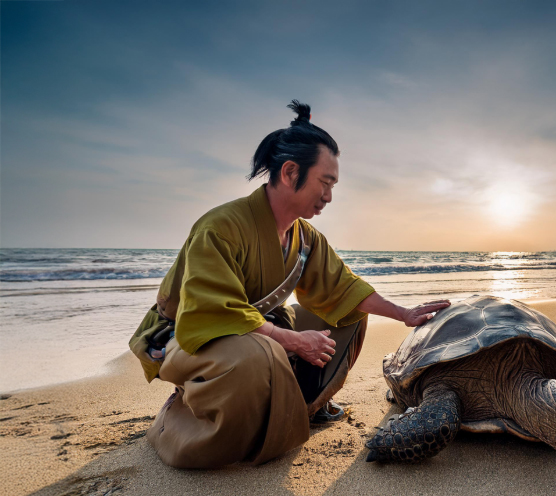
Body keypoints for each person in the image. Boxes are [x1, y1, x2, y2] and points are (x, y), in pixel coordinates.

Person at [128, 100, 450, 469]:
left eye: (333, 185)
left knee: (348, 316)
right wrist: (293, 341)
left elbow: (344, 288)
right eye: (324, 182)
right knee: (254, 357)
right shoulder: (219, 227)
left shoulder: (306, 237)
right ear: (290, 172)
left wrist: (403, 313)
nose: (329, 195)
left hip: (258, 331)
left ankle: (302, 408)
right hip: (190, 336)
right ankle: (177, 423)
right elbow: (212, 310)